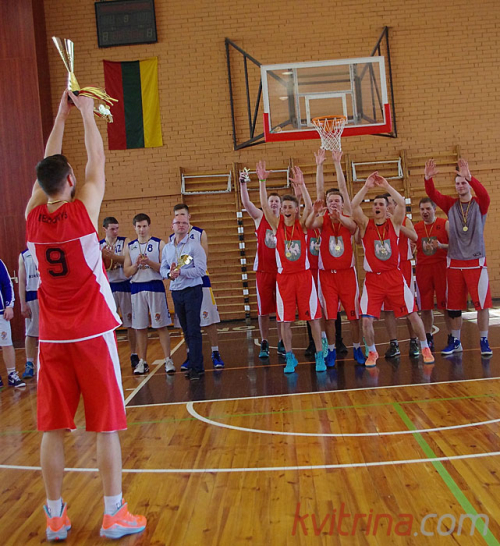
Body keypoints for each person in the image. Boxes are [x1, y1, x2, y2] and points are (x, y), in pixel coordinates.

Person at [25, 89, 145, 540]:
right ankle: (113, 513)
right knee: (106, 426)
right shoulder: (83, 211)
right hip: (93, 332)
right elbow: (99, 158)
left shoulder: (32, 218)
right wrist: (88, 116)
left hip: (53, 336)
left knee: (51, 428)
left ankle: (55, 516)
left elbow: (47, 164)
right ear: (71, 179)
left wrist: (59, 116)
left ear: (42, 186)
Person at [351, 172, 435, 368]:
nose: (378, 207)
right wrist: (366, 186)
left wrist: (387, 186)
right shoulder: (365, 225)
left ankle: (425, 347)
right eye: (375, 204)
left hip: (394, 276)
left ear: (387, 208)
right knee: (366, 321)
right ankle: (372, 352)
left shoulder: (395, 224)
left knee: (412, 313)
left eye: (381, 204)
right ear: (372, 209)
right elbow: (353, 206)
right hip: (373, 280)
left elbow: (402, 204)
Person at [257, 161, 325, 374]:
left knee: (313, 318)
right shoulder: (276, 225)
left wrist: (303, 185)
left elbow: (308, 204)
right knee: (285, 320)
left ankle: (320, 355)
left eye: (290, 207)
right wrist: (261, 181)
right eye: (284, 207)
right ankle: (289, 357)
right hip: (284, 279)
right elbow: (265, 206)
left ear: (296, 210)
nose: (286, 209)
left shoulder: (302, 225)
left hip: (303, 278)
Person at [424, 158, 492, 355]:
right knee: (454, 306)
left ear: (468, 184)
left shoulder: (480, 204)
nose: (460, 186)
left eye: (463, 182)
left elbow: (485, 194)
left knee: (483, 305)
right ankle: (455, 341)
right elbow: (432, 194)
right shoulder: (451, 205)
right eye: (458, 183)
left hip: (476, 262)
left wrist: (470, 176)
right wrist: (428, 178)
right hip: (454, 263)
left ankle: (484, 341)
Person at [305, 150, 365, 367]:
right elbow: (310, 222)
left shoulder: (348, 217)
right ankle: (330, 350)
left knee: (354, 316)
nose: (334, 203)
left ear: (342, 203)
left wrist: (337, 163)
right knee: (330, 317)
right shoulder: (322, 220)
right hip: (327, 277)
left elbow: (353, 225)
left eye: (337, 201)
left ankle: (358, 348)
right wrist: (319, 165)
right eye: (331, 202)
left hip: (347, 275)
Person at [171, 204, 225, 368]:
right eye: (177, 215)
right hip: (182, 284)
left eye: (183, 215)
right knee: (186, 323)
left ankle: (215, 352)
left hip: (200, 280)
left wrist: (184, 267)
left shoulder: (199, 234)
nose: (180, 219)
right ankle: (191, 355)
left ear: (189, 217)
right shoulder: (171, 238)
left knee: (208, 319)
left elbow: (202, 258)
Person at [239, 171, 285, 358]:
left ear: (281, 206)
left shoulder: (285, 220)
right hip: (264, 271)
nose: (273, 203)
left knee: (281, 309)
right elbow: (246, 203)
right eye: (271, 201)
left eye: (276, 202)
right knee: (263, 309)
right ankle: (265, 341)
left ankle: (282, 341)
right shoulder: (259, 217)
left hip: (282, 271)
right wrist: (243, 184)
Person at [123, 214, 173, 375]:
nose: (142, 229)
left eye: (144, 226)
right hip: (137, 288)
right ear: (134, 227)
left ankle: (168, 359)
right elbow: (126, 272)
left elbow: (163, 269)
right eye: (138, 226)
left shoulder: (159, 244)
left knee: (161, 325)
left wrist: (149, 262)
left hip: (154, 285)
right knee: (140, 327)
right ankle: (143, 361)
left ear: (149, 226)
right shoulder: (130, 247)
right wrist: (137, 264)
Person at [161, 216, 207, 380]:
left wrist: (182, 272)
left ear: (188, 226)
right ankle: (194, 362)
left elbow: (201, 270)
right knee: (186, 330)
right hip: (176, 291)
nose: (181, 226)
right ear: (172, 226)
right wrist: (169, 273)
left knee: (193, 329)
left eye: (184, 223)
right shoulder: (167, 248)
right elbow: (163, 268)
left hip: (192, 290)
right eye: (178, 223)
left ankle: (197, 367)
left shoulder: (195, 246)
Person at [381, 193, 420, 358]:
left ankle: (414, 341)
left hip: (402, 267)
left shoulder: (404, 220)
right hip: (386, 270)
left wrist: (397, 224)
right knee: (388, 310)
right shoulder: (378, 223)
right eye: (386, 204)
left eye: (391, 204)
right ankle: (394, 343)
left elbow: (415, 237)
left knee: (409, 307)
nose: (389, 207)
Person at [413, 197, 451, 351]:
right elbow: (410, 249)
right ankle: (428, 337)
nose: (425, 212)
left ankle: (452, 336)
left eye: (428, 209)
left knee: (446, 306)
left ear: (434, 209)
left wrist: (442, 245)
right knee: (425, 307)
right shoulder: (416, 228)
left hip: (441, 268)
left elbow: (456, 246)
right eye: (422, 209)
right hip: (423, 269)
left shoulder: (444, 224)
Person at [100, 217, 137, 369]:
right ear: (105, 229)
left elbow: (128, 260)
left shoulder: (125, 241)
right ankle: (109, 355)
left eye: (117, 228)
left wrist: (114, 258)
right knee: (107, 325)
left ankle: (134, 354)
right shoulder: (99, 245)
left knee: (130, 323)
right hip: (108, 287)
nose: (115, 232)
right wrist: (106, 259)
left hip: (124, 284)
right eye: (112, 229)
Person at [0, 258, 25, 388]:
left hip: (0, 312)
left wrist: (9, 306)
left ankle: (12, 375)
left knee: (7, 343)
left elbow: (7, 284)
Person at [18, 248, 40, 379]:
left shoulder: (46, 248)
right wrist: (22, 303)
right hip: (32, 295)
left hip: (48, 295)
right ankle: (29, 363)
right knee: (31, 332)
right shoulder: (24, 255)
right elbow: (21, 281)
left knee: (51, 332)